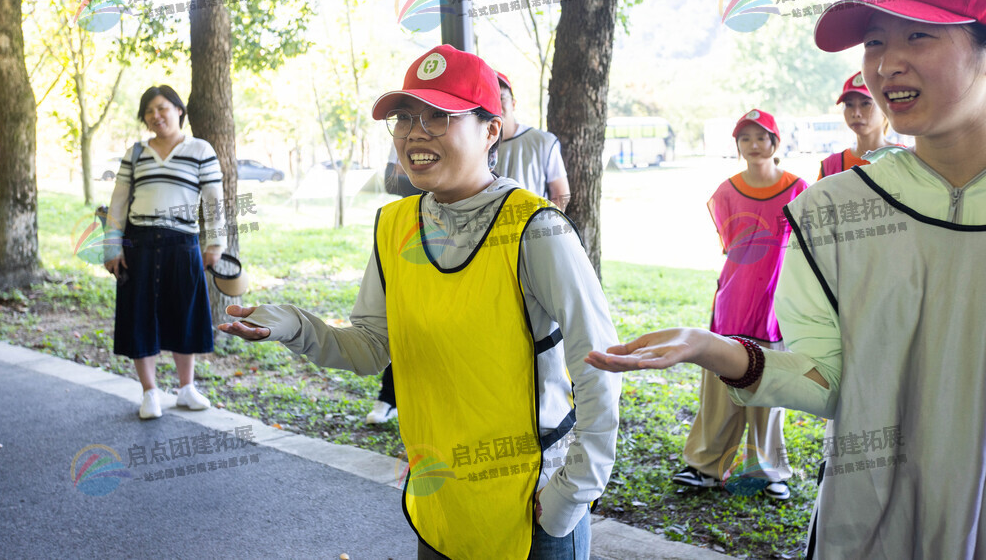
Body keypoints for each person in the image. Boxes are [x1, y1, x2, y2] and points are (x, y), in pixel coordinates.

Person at [585, 0, 986, 558]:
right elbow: (826, 379)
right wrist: (710, 348)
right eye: (876, 41)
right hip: (867, 530)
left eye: (920, 36)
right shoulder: (828, 212)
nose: (887, 65)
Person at [219, 44, 621, 558]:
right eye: (405, 118)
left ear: (491, 130)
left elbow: (600, 365)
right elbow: (370, 348)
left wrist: (572, 494)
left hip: (532, 506)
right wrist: (294, 326)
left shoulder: (535, 228)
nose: (415, 133)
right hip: (438, 497)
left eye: (441, 117)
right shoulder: (395, 225)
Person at [671, 109, 807, 501]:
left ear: (775, 143)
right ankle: (704, 466)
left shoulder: (799, 188)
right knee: (719, 386)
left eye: (760, 137)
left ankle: (767, 471)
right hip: (734, 297)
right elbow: (730, 246)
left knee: (770, 386)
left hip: (776, 304)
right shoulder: (726, 191)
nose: (752, 145)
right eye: (744, 138)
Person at [103, 85, 225, 419]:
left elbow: (214, 202)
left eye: (162, 108)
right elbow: (119, 200)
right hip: (138, 244)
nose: (156, 116)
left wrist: (215, 245)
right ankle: (150, 393)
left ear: (178, 110)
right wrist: (113, 245)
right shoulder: (136, 152)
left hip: (182, 243)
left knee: (183, 314)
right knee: (139, 316)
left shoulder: (200, 149)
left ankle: (186, 389)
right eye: (149, 112)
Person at [365, 145, 421, 425]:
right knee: (403, 319)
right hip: (413, 235)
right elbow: (391, 180)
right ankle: (389, 397)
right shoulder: (407, 136)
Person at [493, 71, 571, 210]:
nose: (496, 104)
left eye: (501, 97)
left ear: (513, 104)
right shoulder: (475, 147)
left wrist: (546, 226)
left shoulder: (543, 142)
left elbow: (561, 193)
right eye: (490, 99)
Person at [818, 71, 893, 178]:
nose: (856, 113)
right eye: (849, 105)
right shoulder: (831, 166)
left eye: (865, 103)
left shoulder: (906, 158)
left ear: (884, 106)